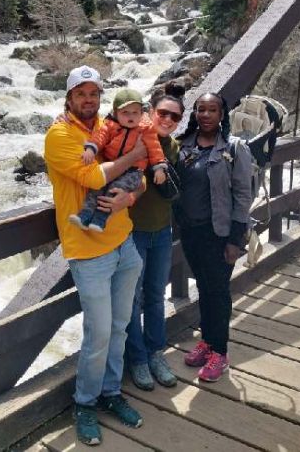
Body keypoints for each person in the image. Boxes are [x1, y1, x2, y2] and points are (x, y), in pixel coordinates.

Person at [44, 65, 147, 446]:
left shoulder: (110, 126)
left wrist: (131, 196)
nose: (88, 100)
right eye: (81, 93)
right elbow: (93, 178)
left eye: (94, 93)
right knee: (99, 333)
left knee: (119, 328)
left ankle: (110, 393)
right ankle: (85, 403)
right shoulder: (59, 135)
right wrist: (132, 154)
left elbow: (146, 170)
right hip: (88, 253)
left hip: (125, 243)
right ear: (69, 98)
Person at [174, 92, 252, 382]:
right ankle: (207, 342)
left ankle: (220, 352)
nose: (206, 115)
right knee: (205, 289)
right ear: (194, 114)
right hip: (192, 233)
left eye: (212, 110)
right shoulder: (184, 146)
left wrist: (235, 239)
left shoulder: (235, 148)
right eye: (201, 109)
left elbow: (244, 195)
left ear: (222, 115)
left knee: (218, 291)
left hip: (220, 234)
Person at [125, 81, 185, 391]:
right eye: (162, 113)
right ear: (151, 112)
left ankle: (156, 354)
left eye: (174, 117)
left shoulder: (174, 149)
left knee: (156, 297)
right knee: (132, 300)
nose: (167, 120)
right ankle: (137, 359)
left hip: (161, 233)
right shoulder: (133, 140)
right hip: (132, 233)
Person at [69, 87, 167, 232]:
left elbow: (155, 148)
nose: (130, 116)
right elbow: (99, 137)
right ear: (116, 113)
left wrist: (159, 168)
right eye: (125, 112)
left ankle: (100, 220)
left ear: (141, 113)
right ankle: (85, 215)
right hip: (112, 166)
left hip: (133, 171)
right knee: (96, 189)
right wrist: (91, 148)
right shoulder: (110, 126)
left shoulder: (146, 129)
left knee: (115, 190)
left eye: (135, 112)